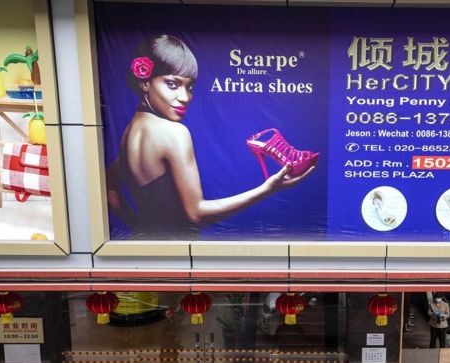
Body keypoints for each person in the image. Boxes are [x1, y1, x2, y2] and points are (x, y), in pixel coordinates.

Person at [106, 35, 315, 240]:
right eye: (172, 84)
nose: (185, 97)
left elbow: (109, 187)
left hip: (149, 253)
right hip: (180, 255)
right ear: (145, 83)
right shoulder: (174, 133)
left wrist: (140, 228)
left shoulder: (130, 133)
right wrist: (267, 189)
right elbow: (196, 214)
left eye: (189, 87)